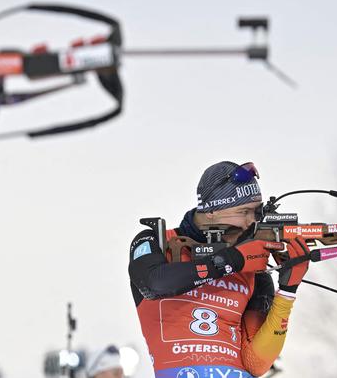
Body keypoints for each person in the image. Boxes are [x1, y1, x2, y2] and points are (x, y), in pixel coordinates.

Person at [128, 161, 310, 378]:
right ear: (212, 210)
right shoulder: (157, 240)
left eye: (257, 212)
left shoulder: (251, 266)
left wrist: (287, 291)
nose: (251, 223)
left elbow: (256, 364)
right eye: (244, 211)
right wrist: (230, 260)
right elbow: (154, 283)